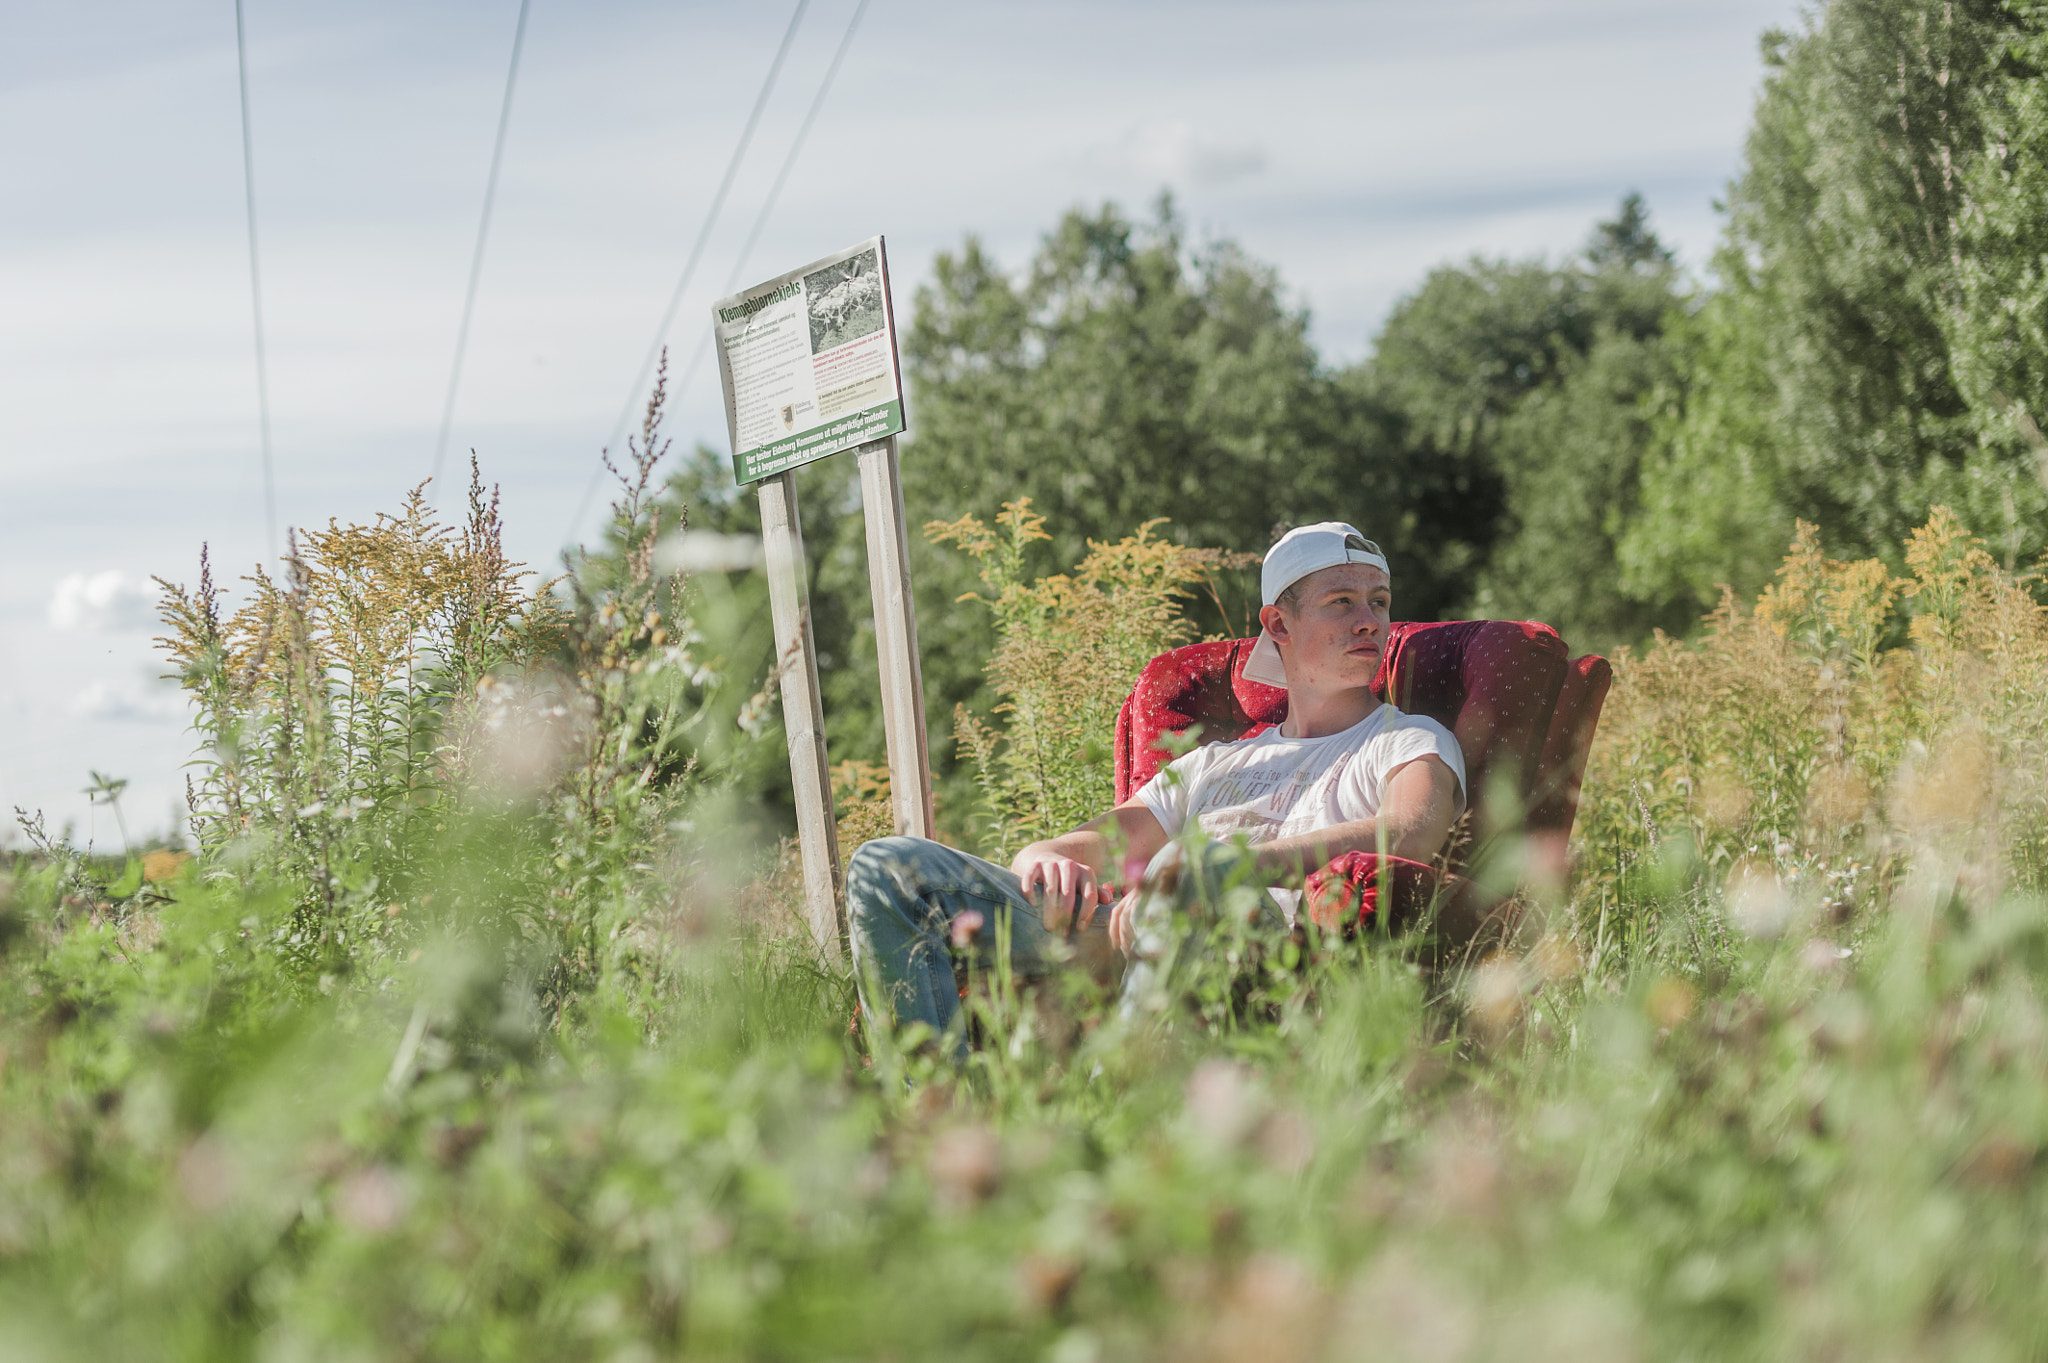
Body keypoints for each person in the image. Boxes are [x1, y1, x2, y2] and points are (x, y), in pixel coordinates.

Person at [846, 521, 1467, 1048]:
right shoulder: (1216, 763)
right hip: (1126, 933)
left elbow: (1411, 832)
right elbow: (1086, 845)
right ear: (1278, 623)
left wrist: (1219, 867)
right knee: (887, 867)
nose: (1370, 622)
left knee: (1193, 865)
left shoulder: (1408, 738)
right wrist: (1043, 857)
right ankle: (929, 1108)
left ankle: (1107, 1097)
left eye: (1379, 602)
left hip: (1261, 948)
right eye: (1342, 603)